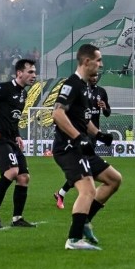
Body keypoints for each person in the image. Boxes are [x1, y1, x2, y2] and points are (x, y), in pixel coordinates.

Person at [52, 44, 122, 250]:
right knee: (88, 190)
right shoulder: (72, 84)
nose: (101, 64)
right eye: (98, 60)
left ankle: (84, 222)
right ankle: (73, 240)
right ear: (86, 62)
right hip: (68, 148)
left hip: (82, 147)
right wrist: (77, 137)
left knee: (114, 180)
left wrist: (99, 135)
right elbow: (57, 113)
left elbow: (84, 120)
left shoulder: (86, 87)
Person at [0, 58, 38, 229]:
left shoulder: (23, 94)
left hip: (12, 139)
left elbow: (13, 118)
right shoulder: (3, 88)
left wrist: (18, 135)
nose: (34, 75)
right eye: (30, 72)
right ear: (19, 73)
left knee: (24, 177)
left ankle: (17, 218)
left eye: (34, 72)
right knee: (12, 171)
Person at [54, 70, 112, 210]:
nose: (94, 78)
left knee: (85, 167)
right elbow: (59, 112)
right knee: (83, 167)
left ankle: (64, 195)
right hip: (80, 135)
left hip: (93, 132)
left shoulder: (101, 92)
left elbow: (107, 112)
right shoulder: (78, 87)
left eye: (96, 76)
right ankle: (84, 204)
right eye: (92, 75)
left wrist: (105, 108)